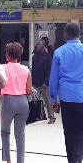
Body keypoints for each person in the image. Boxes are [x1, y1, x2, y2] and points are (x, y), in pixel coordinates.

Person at [49, 23, 83, 163]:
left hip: (66, 97)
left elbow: (53, 78)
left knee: (68, 131)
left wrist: (53, 100)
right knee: (80, 130)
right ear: (79, 34)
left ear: (66, 34)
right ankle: (78, 156)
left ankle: (73, 159)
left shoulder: (59, 52)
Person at [0, 42, 34, 163]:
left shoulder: (2, 68)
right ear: (19, 55)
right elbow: (29, 90)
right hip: (23, 102)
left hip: (8, 101)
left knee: (5, 132)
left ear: (7, 55)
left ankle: (7, 160)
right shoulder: (26, 70)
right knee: (20, 136)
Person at [32, 40, 56, 124]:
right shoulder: (34, 57)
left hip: (45, 84)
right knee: (34, 100)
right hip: (35, 83)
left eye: (39, 44)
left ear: (43, 46)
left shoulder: (48, 57)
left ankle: (52, 117)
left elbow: (50, 71)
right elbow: (33, 70)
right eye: (37, 44)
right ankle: (36, 117)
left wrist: (46, 82)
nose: (37, 45)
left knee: (48, 101)